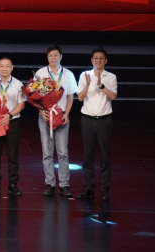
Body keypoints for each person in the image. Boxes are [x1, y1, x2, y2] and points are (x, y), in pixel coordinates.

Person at [35, 45, 79, 198]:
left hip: (62, 117)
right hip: (45, 117)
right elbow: (35, 96)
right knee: (47, 152)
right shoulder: (40, 73)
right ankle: (50, 184)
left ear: (61, 56)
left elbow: (71, 96)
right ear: (47, 58)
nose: (53, 58)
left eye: (56, 55)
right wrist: (41, 111)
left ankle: (64, 185)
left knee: (63, 153)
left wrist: (67, 113)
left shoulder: (68, 74)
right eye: (50, 55)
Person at [76, 47, 117, 202]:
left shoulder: (111, 77)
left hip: (104, 120)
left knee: (105, 156)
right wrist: (88, 85)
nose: (98, 61)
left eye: (101, 58)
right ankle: (89, 188)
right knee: (88, 155)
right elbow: (80, 98)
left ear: (105, 60)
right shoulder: (84, 75)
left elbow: (113, 96)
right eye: (95, 58)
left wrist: (101, 85)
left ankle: (105, 189)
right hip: (87, 120)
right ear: (91, 60)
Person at [0, 56, 26, 196]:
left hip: (12, 122)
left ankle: (13, 184)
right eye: (1, 66)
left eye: (7, 66)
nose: (4, 68)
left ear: (12, 68)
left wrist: (9, 115)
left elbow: (21, 104)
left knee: (13, 155)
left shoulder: (18, 84)